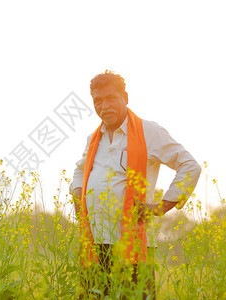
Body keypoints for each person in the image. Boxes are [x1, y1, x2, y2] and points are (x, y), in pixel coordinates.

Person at [70, 70, 201, 298]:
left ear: (125, 98)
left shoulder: (148, 132)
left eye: (111, 98)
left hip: (133, 248)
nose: (104, 105)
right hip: (95, 245)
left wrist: (160, 207)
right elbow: (79, 172)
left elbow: (190, 166)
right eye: (98, 101)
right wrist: (78, 197)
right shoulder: (93, 138)